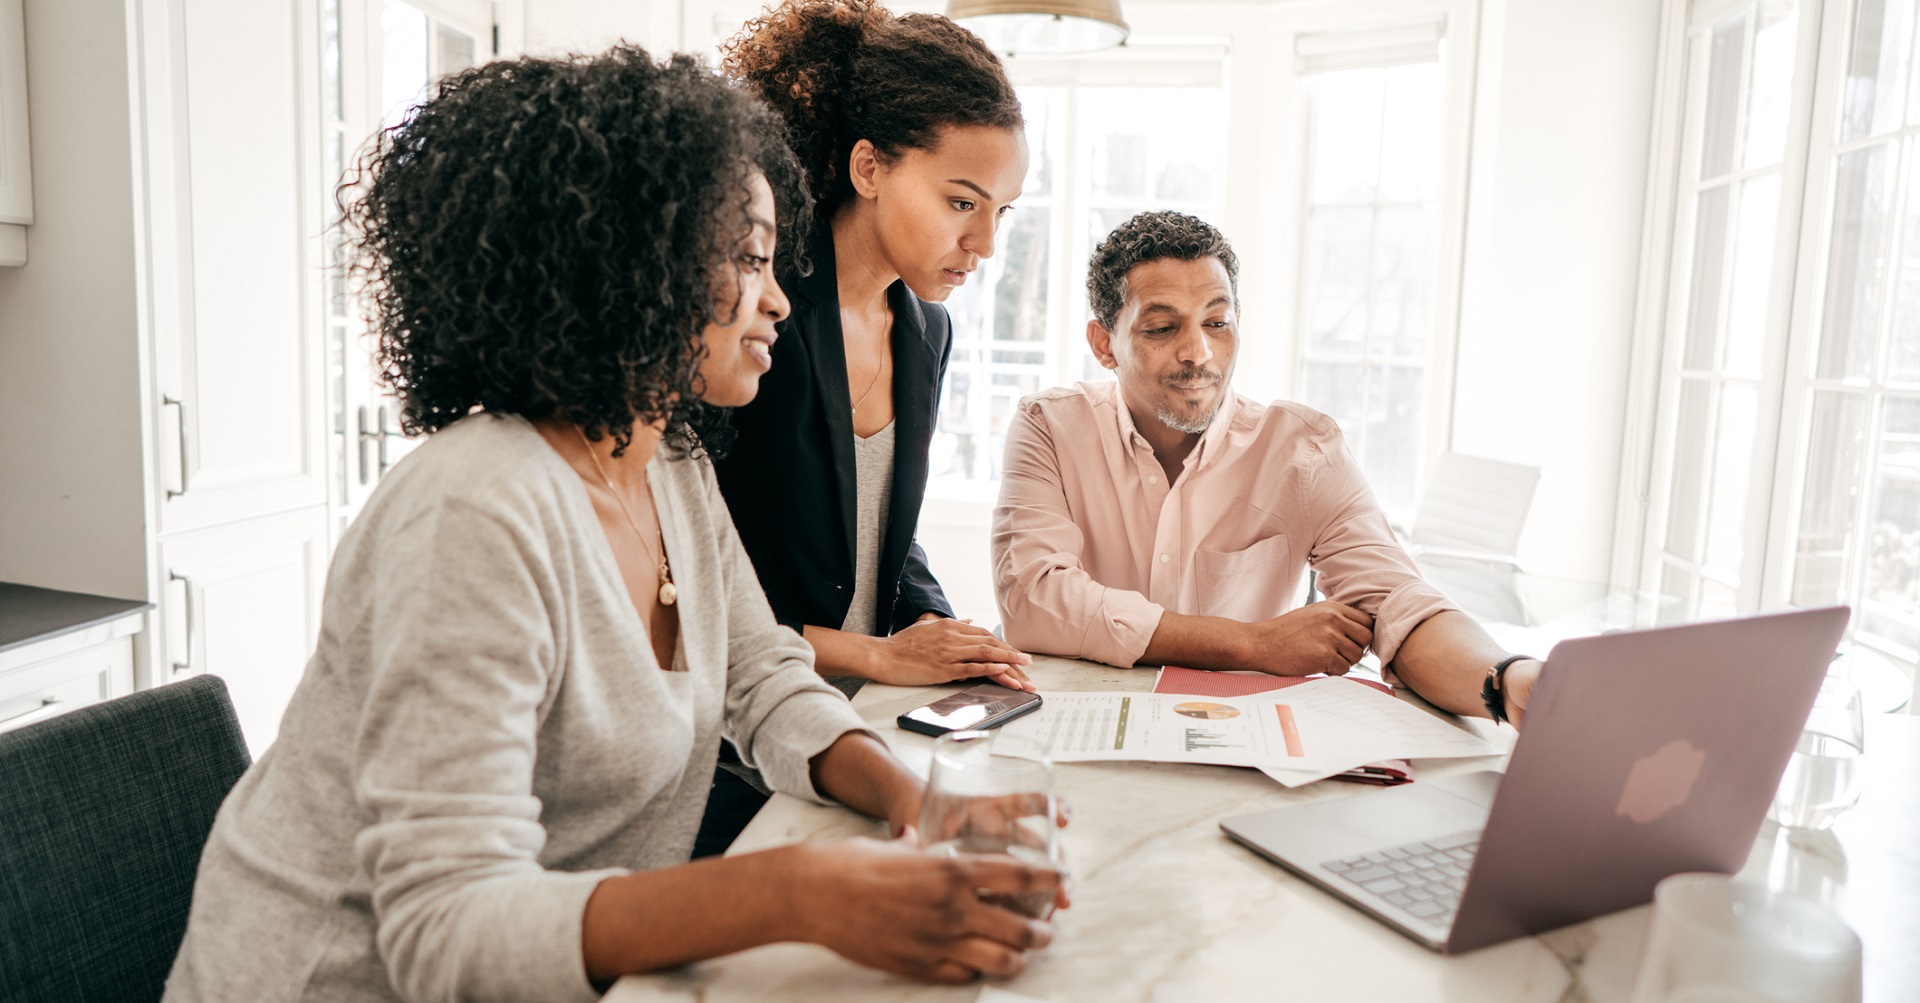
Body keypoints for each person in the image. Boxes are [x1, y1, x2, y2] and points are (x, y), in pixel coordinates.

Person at [163, 49, 1061, 1003]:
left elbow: (760, 680)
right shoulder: (476, 507)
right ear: (634, 262)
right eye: (747, 258)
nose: (779, 297)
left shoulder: (669, 465)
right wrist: (794, 889)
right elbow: (443, 930)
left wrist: (912, 796)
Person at [990, 211, 1543, 727]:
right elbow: (1034, 602)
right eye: (1162, 329)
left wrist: (1506, 679)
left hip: (1242, 741)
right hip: (1081, 728)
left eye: (1217, 323)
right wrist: (1251, 643)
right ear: (1104, 343)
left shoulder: (1303, 450)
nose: (1199, 352)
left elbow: (1399, 603)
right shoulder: (1048, 427)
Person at [714, 0, 1034, 696]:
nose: (985, 244)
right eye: (961, 203)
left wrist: (952, 641)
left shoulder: (929, 330)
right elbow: (699, 577)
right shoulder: (758, 318)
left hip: (859, 712)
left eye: (1000, 210)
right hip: (744, 722)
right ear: (868, 168)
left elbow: (877, 535)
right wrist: (879, 656)